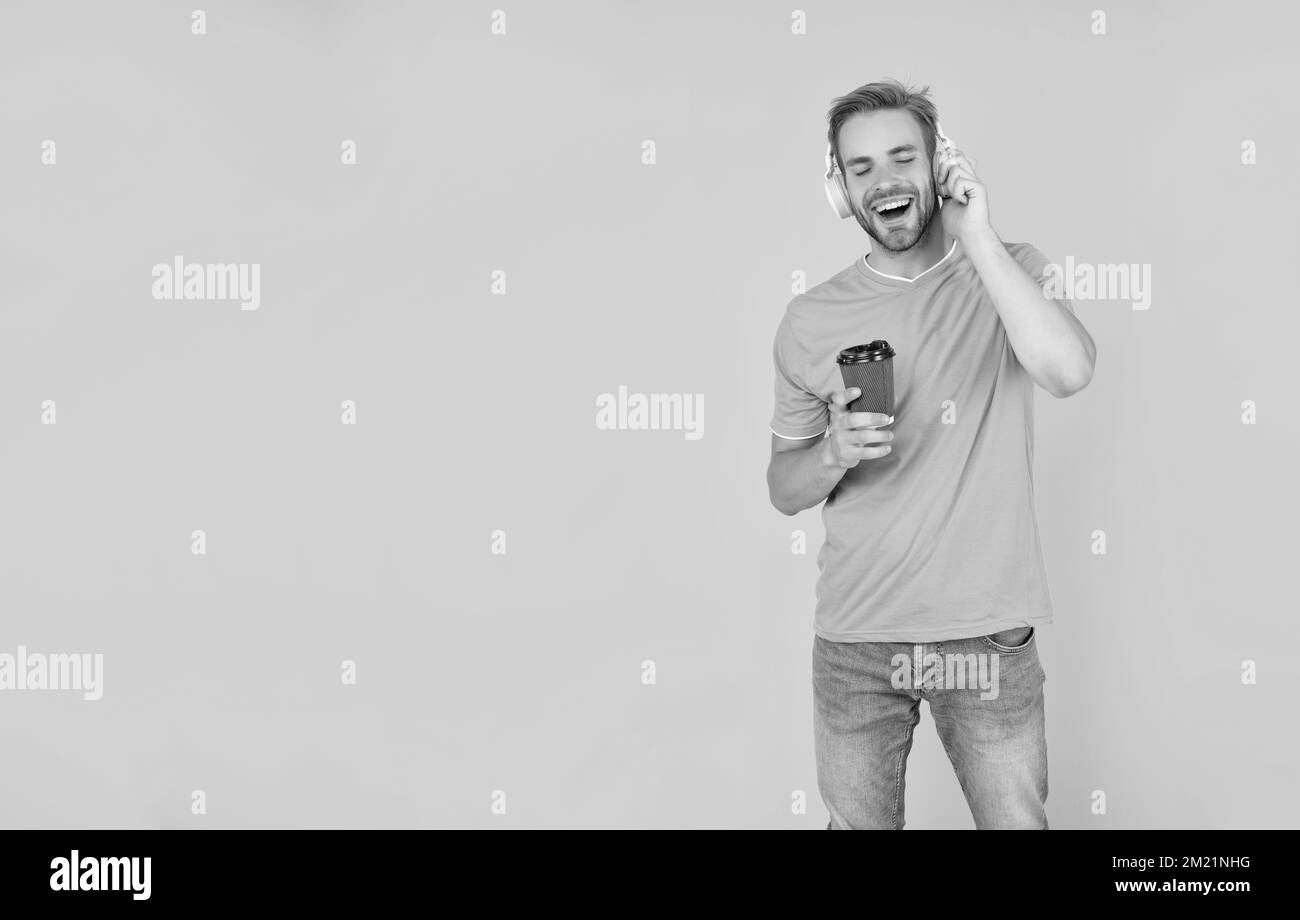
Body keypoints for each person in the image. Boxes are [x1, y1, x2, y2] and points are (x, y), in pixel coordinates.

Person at [766, 79, 1096, 829]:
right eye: (860, 168)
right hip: (855, 638)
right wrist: (833, 455)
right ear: (840, 190)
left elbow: (1069, 372)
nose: (883, 180)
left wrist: (977, 237)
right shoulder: (809, 319)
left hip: (984, 633)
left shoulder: (1008, 270)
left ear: (938, 164)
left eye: (901, 157)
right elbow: (783, 487)